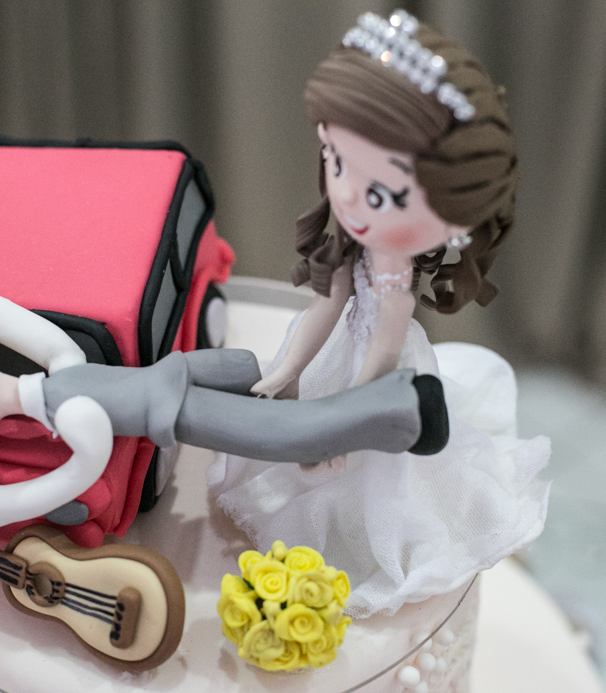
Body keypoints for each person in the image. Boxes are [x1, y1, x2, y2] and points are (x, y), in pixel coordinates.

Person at [210, 10, 551, 617]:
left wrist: (348, 415)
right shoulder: (354, 247)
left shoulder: (395, 284)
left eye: (384, 194)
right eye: (335, 159)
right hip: (341, 355)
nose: (346, 195)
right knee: (300, 456)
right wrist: (289, 368)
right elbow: (325, 306)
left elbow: (387, 349)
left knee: (375, 485)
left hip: (379, 380)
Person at [0, 245, 449, 531]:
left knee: (284, 435)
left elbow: (81, 467)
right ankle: (341, 395)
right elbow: (21, 324)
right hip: (172, 378)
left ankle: (403, 409)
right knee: (258, 383)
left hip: (170, 407)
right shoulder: (58, 368)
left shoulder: (67, 405)